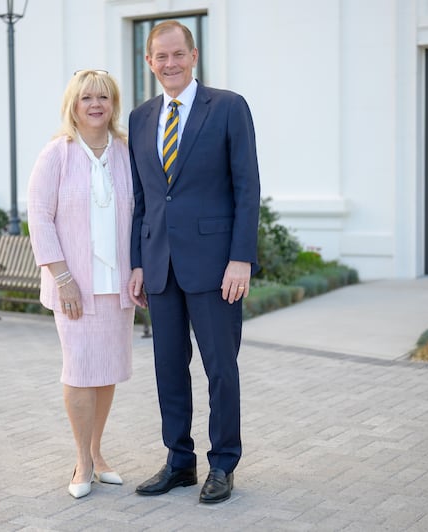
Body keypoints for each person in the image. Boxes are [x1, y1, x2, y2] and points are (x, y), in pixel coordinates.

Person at [127, 20, 260, 504]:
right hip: (160, 265)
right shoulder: (140, 118)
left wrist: (241, 258)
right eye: (160, 57)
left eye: (177, 54)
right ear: (148, 61)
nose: (170, 64)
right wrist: (137, 262)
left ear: (194, 55)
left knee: (220, 367)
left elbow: (247, 189)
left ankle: (223, 463)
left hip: (215, 266)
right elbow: (142, 199)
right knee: (168, 367)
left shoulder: (227, 107)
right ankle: (179, 461)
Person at [27, 69, 135, 499]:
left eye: (104, 97)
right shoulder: (58, 153)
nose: (96, 104)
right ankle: (82, 460)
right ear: (73, 103)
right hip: (73, 285)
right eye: (87, 97)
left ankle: (98, 452)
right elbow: (39, 217)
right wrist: (62, 277)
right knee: (78, 369)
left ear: (113, 105)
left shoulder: (126, 151)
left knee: (105, 370)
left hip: (116, 284)